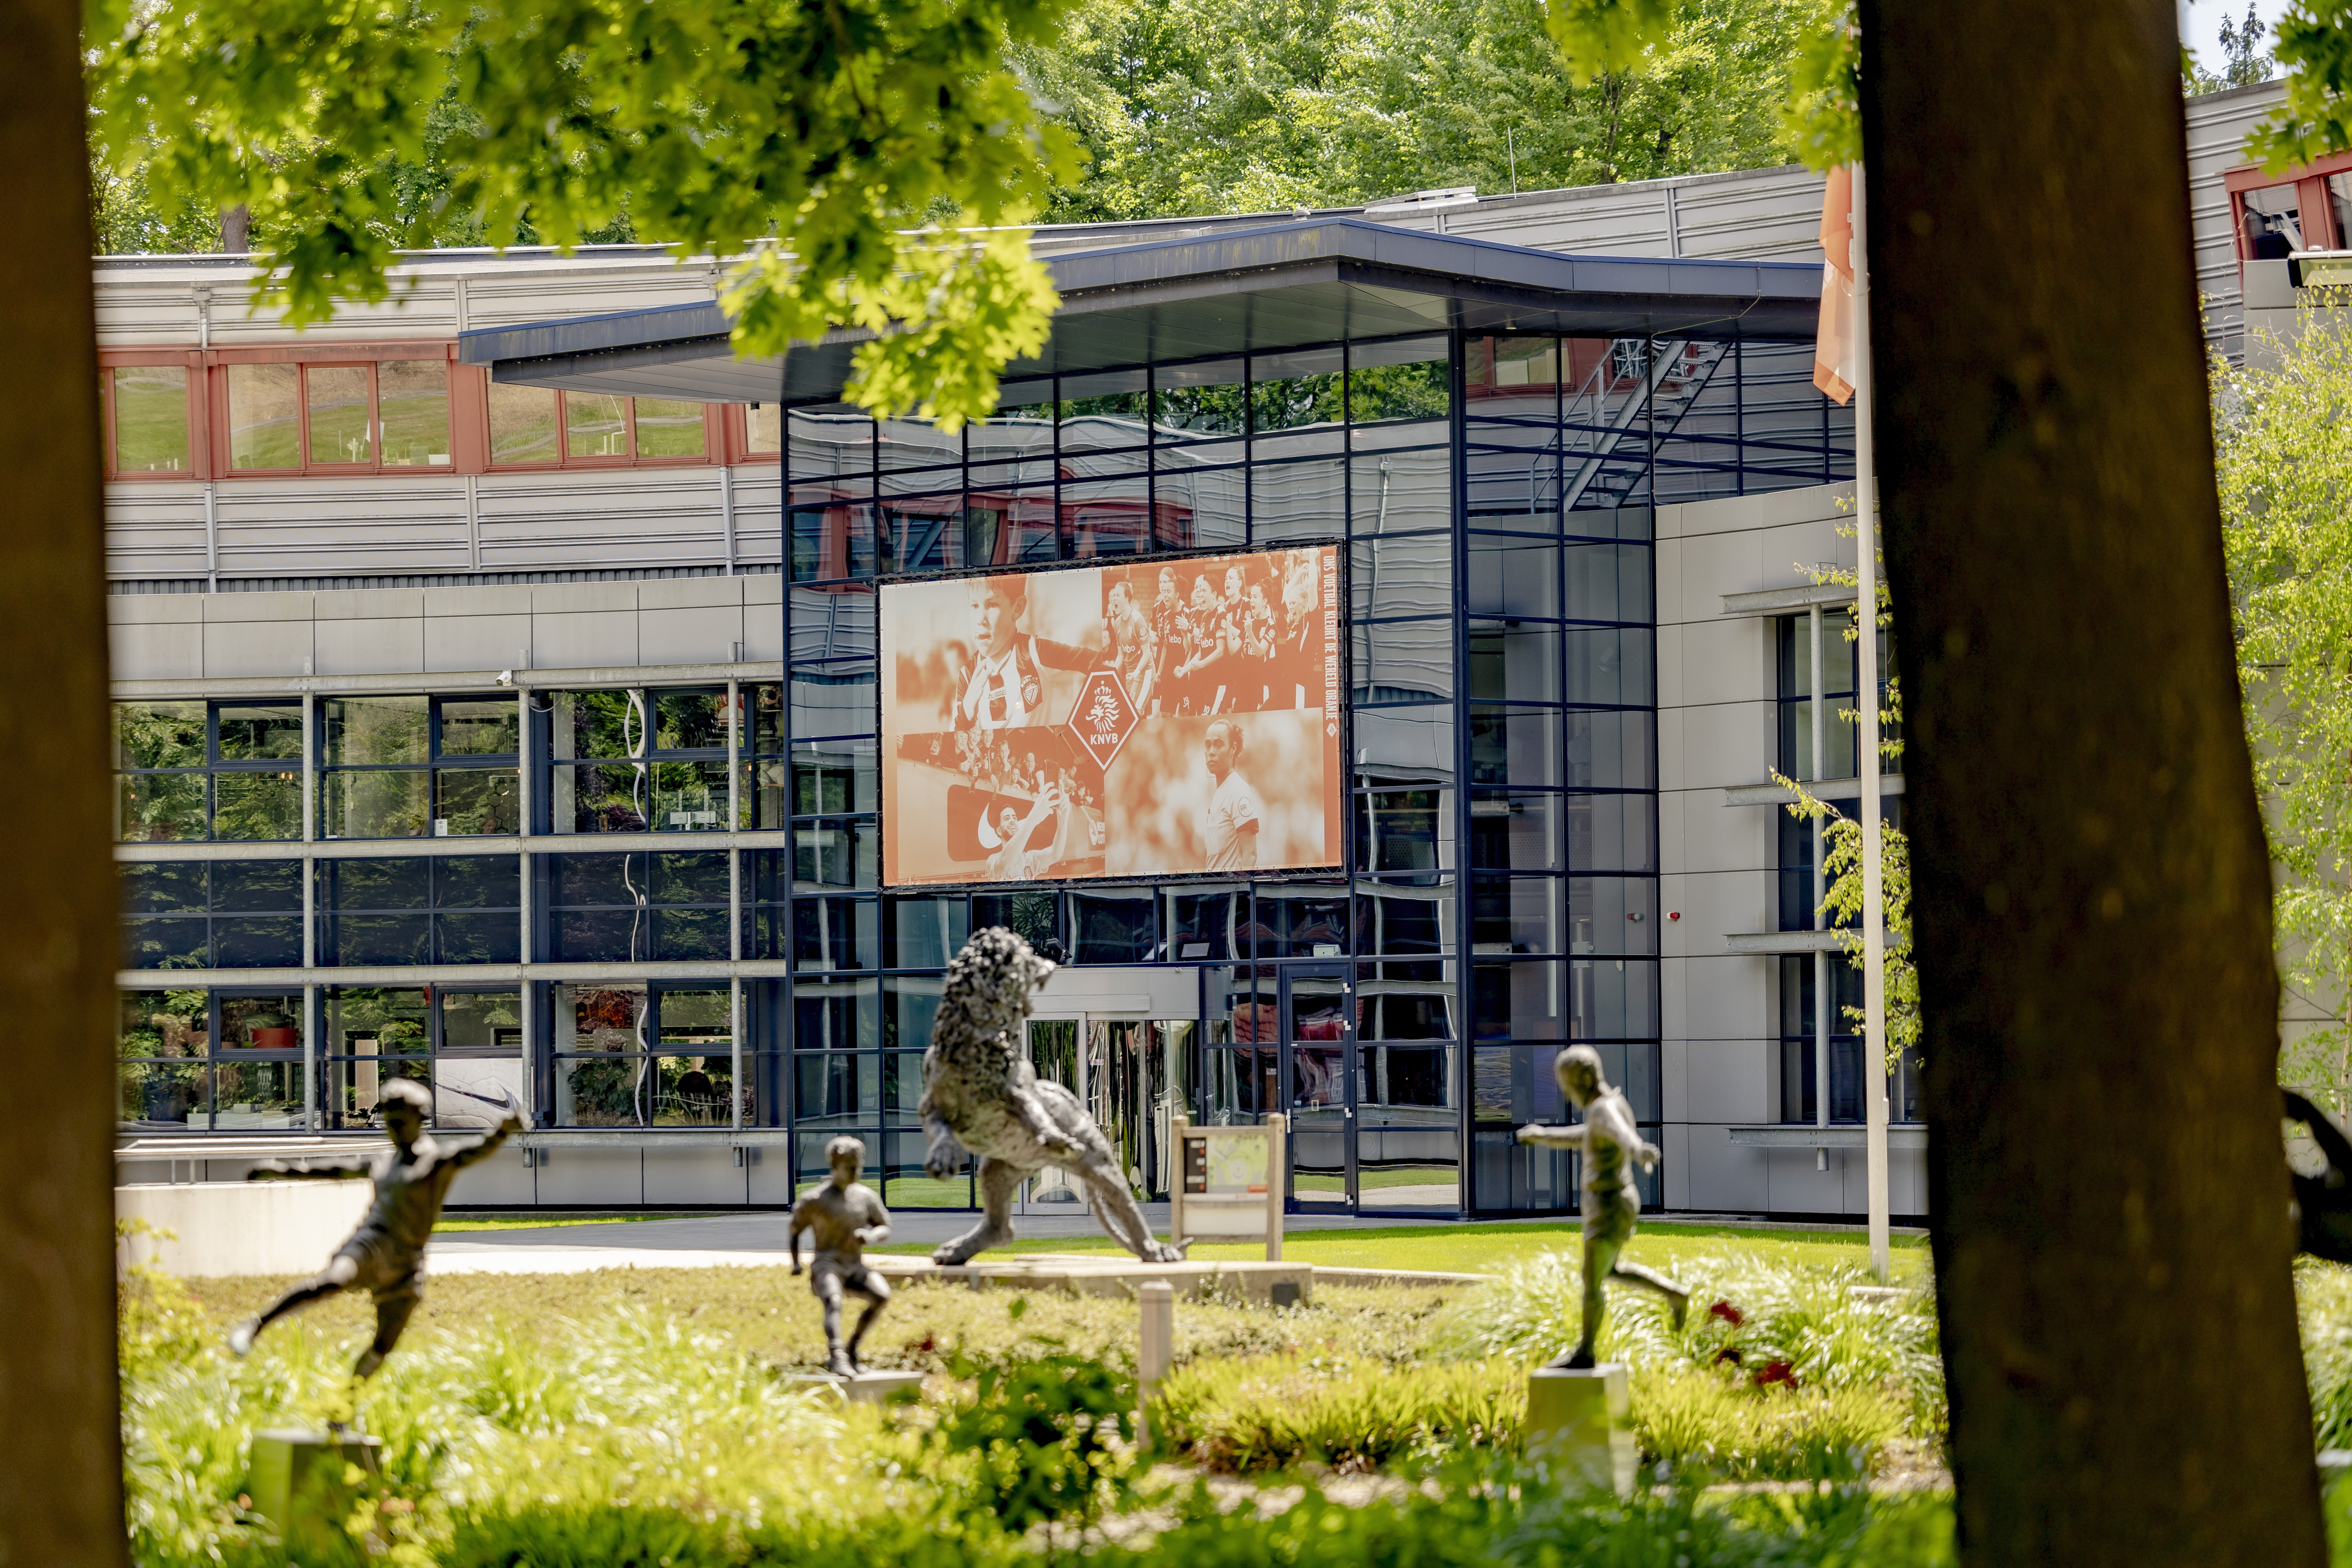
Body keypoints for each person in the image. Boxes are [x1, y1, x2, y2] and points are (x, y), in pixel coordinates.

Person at [227, 1077, 525, 1381]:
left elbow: (478, 1148)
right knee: (330, 1283)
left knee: (382, 1347)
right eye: (389, 1124)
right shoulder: (384, 1161)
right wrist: (283, 1170)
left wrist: (502, 1132)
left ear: (420, 1119)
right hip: (370, 1244)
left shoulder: (438, 1160)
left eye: (400, 1123)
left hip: (407, 1264)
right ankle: (255, 1326)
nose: (394, 1132)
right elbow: (336, 1170)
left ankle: (339, 1416)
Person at [1514, 1046, 1689, 1367]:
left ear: (1583, 1078)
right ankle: (1674, 1294)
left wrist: (1639, 1150)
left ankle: (1585, 1352)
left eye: (1569, 1087)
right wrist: (1543, 1135)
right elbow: (1586, 1135)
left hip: (1609, 1203)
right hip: (1611, 1202)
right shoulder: (1610, 1105)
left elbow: (1623, 1135)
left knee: (1591, 1278)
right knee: (1609, 1271)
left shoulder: (1602, 1110)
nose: (1569, 1096)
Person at [789, 1136, 894, 1376]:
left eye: (859, 1167)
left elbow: (885, 1226)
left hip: (855, 1266)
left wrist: (872, 1236)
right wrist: (796, 1263)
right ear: (836, 1167)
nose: (856, 1172)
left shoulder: (866, 1197)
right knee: (834, 1301)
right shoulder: (815, 1200)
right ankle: (837, 1356)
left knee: (882, 1296)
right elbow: (794, 1231)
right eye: (850, 1168)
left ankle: (852, 1349)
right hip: (827, 1265)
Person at [955, 576, 1096, 730]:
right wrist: (965, 716)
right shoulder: (967, 675)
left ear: (1017, 608)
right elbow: (955, 745)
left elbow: (1097, 662)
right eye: (975, 606)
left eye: (992, 605)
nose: (981, 619)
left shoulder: (1035, 653)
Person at [1201, 717, 1264, 872]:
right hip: (1215, 891)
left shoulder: (1238, 791)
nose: (1211, 752)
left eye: (1219, 745)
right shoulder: (1219, 793)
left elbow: (1250, 854)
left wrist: (1238, 892)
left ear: (1233, 749)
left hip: (1229, 893)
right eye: (1208, 745)